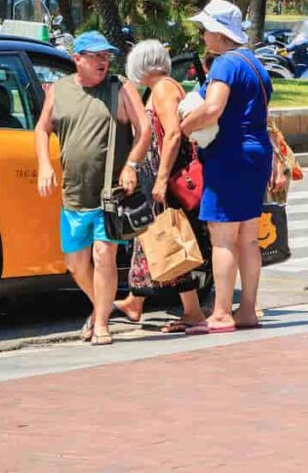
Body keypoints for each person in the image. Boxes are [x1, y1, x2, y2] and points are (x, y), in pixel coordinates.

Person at [36, 31, 151, 346]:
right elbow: (41, 130)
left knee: (104, 255)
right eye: (96, 56)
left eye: (106, 56)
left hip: (108, 194)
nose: (103, 62)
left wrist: (131, 166)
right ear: (78, 59)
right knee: (75, 264)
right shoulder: (58, 91)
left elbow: (145, 130)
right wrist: (44, 165)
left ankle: (101, 323)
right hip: (73, 194)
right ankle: (105, 305)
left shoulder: (119, 88)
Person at [180, 0, 282, 335]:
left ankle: (221, 313)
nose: (203, 34)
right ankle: (248, 308)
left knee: (223, 237)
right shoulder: (255, 64)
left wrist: (185, 126)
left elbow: (213, 108)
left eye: (206, 28)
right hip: (256, 154)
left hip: (229, 156)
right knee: (248, 238)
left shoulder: (224, 64)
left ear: (219, 33)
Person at [113, 40, 210, 333]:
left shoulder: (164, 89)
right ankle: (135, 301)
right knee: (149, 237)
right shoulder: (162, 88)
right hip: (156, 175)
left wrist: (162, 178)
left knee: (166, 238)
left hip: (163, 177)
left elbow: (172, 136)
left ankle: (192, 311)